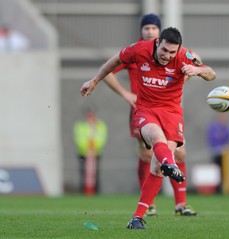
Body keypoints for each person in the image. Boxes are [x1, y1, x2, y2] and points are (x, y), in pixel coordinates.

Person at [80, 27, 216, 229]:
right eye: (164, 50)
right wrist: (95, 80)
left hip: (171, 113)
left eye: (172, 52)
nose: (167, 56)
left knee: (157, 168)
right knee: (155, 139)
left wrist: (197, 70)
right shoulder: (139, 49)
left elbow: (211, 74)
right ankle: (171, 164)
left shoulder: (184, 56)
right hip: (145, 109)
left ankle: (137, 218)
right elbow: (115, 61)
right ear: (158, 42)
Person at [103, 14, 197, 217]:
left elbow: (198, 64)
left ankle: (180, 204)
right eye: (146, 28)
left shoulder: (173, 52)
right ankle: (150, 204)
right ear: (142, 32)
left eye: (154, 28)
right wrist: (125, 93)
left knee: (178, 153)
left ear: (159, 33)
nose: (149, 31)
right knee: (148, 154)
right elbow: (108, 69)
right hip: (143, 108)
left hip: (168, 110)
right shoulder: (138, 50)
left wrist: (186, 76)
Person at [73, 105, 108, 195]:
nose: (90, 117)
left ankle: (96, 192)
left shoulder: (100, 125)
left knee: (96, 174)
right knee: (83, 173)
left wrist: (94, 147)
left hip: (96, 153)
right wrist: (87, 147)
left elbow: (102, 138)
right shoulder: (80, 125)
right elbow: (78, 139)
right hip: (83, 153)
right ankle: (83, 192)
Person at [206, 113, 229, 193]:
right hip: (215, 152)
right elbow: (211, 138)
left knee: (223, 171)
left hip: (223, 153)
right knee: (216, 170)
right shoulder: (213, 127)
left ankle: (222, 188)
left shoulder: (226, 128)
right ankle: (216, 188)